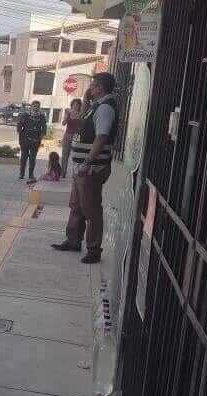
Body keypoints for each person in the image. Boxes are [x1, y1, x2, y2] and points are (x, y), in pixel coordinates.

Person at [52, 72, 120, 264]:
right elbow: (82, 123)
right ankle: (73, 240)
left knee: (91, 209)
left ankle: (93, 249)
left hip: (91, 168)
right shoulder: (95, 106)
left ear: (101, 87)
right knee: (76, 205)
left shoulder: (106, 108)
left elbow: (101, 137)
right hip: (81, 167)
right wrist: (85, 101)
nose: (90, 88)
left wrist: (88, 162)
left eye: (93, 85)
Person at [16, 101, 48, 181]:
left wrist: (41, 136)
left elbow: (44, 128)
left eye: (37, 106)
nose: (35, 108)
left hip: (35, 140)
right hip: (25, 140)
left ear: (39, 108)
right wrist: (19, 132)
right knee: (24, 157)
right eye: (34, 106)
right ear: (31, 107)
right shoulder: (25, 115)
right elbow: (20, 125)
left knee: (32, 158)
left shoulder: (41, 116)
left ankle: (31, 175)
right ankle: (21, 174)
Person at [61, 99, 84, 177]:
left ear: (80, 106)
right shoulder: (68, 112)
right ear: (72, 105)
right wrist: (66, 116)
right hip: (67, 135)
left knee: (75, 155)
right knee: (65, 154)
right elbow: (63, 123)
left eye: (77, 104)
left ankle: (74, 173)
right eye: (74, 104)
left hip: (77, 136)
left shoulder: (81, 114)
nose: (75, 106)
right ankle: (63, 172)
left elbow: (82, 125)